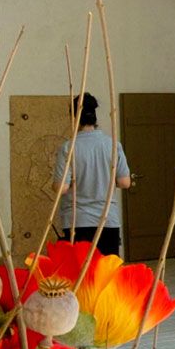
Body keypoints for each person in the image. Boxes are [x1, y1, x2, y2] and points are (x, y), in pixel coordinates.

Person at [54, 93, 132, 254]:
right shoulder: (112, 145)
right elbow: (125, 182)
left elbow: (62, 188)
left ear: (73, 116)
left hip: (77, 221)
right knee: (107, 274)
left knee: (80, 274)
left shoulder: (69, 148)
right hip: (107, 219)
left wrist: (54, 184)